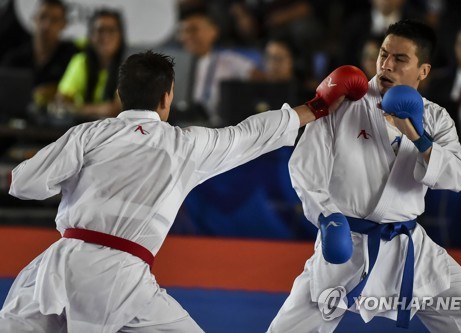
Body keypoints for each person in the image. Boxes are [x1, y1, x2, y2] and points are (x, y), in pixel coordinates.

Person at [0, 51, 369, 331]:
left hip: (56, 265)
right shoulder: (184, 145)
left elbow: (23, 184)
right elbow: (252, 133)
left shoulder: (88, 134)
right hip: (119, 276)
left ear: (120, 94)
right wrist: (317, 106)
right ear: (167, 97)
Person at [268, 19, 461, 332]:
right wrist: (326, 217)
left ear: (424, 71)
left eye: (400, 59)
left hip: (409, 250)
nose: (386, 65)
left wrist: (420, 139)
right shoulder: (345, 104)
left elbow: (457, 177)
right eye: (383, 54)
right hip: (345, 243)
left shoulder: (435, 118)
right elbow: (303, 167)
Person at [176, 5, 264, 126]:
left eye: (193, 30)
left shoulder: (230, 60)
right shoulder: (172, 65)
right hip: (179, 124)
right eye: (183, 31)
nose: (186, 36)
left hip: (220, 128)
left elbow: (265, 84)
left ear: (213, 31)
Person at [1, 0, 78, 110]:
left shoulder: (74, 57)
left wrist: (54, 91)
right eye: (43, 17)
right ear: (34, 19)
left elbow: (77, 92)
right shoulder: (15, 56)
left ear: (63, 24)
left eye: (54, 20)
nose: (46, 25)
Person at [52, 9, 125, 121]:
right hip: (80, 129)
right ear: (91, 36)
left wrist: (77, 109)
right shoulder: (80, 62)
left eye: (111, 30)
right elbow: (61, 100)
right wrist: (102, 109)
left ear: (120, 36)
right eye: (100, 30)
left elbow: (117, 108)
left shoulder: (129, 67)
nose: (105, 36)